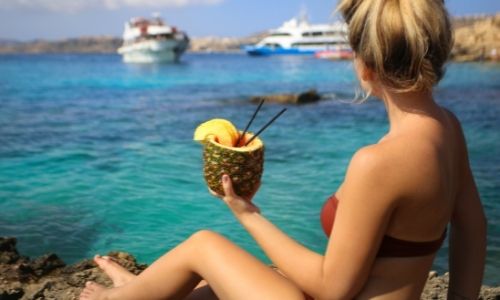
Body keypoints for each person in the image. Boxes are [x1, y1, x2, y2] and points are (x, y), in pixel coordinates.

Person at [79, 0, 487, 299]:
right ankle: (143, 291)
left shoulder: (376, 163)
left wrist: (245, 212)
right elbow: (472, 228)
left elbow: (332, 289)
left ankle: (115, 299)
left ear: (366, 66)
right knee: (230, 282)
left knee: (205, 245)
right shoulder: (448, 128)